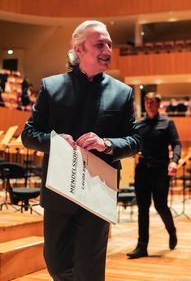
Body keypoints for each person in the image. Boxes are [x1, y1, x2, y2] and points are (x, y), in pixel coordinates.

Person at [21, 20, 140, 281]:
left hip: (98, 193)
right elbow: (28, 135)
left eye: (109, 43)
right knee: (56, 264)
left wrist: (107, 144)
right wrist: (55, 141)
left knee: (90, 269)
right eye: (100, 44)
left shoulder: (122, 93)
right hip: (59, 191)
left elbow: (135, 140)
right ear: (79, 49)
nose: (107, 49)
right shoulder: (51, 87)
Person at [127, 92, 181, 259]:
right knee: (142, 209)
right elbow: (132, 143)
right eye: (147, 102)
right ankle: (142, 246)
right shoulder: (138, 124)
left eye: (152, 102)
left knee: (160, 205)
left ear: (159, 104)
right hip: (142, 170)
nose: (149, 105)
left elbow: (176, 144)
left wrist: (174, 161)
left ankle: (171, 231)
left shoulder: (167, 123)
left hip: (160, 171)